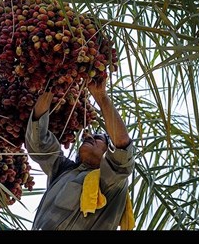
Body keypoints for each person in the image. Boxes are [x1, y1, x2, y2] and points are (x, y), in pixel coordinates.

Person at [25, 77, 135, 230]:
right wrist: (51, 83)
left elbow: (122, 144)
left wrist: (101, 97)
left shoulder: (112, 182)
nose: (88, 137)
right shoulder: (63, 170)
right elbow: (38, 142)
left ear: (108, 152)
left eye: (97, 138)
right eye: (88, 137)